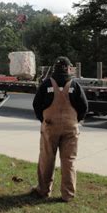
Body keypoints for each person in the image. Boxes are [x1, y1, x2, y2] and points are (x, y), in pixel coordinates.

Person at [31, 56, 88, 202]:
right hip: (71, 128)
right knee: (69, 160)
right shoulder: (75, 85)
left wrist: (43, 120)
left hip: (50, 126)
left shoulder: (46, 84)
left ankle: (43, 190)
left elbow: (36, 105)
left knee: (47, 158)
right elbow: (84, 107)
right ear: (69, 68)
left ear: (54, 69)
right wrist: (76, 120)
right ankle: (67, 194)